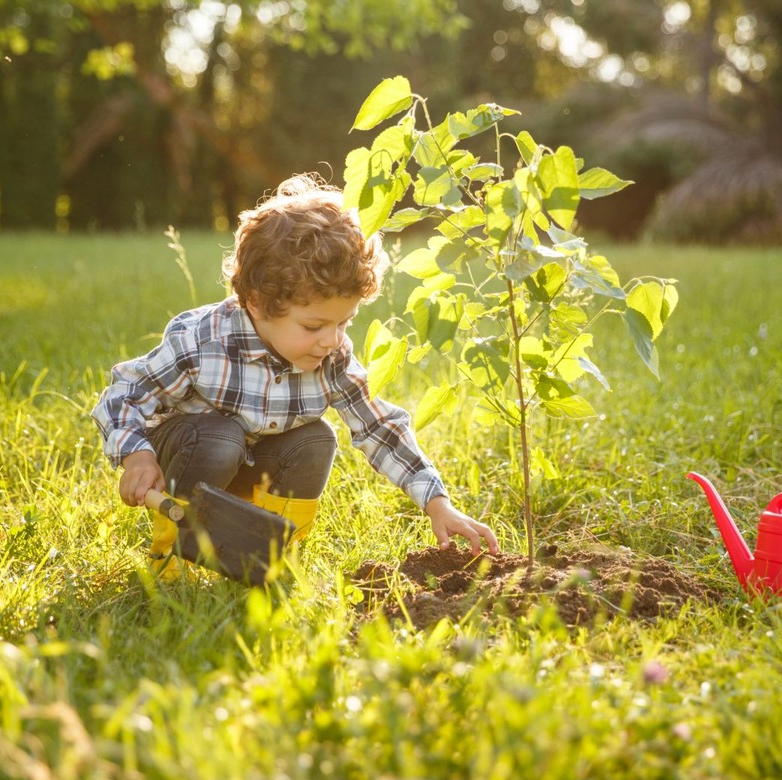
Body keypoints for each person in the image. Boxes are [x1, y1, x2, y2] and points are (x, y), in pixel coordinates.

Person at [91, 174, 498, 571]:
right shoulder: (203, 343)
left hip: (249, 467)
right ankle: (177, 555)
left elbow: (379, 427)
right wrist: (137, 455)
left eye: (344, 323)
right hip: (191, 456)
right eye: (313, 326)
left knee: (315, 439)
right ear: (255, 301)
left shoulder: (332, 358)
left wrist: (437, 502)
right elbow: (124, 392)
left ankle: (264, 554)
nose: (332, 341)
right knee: (220, 437)